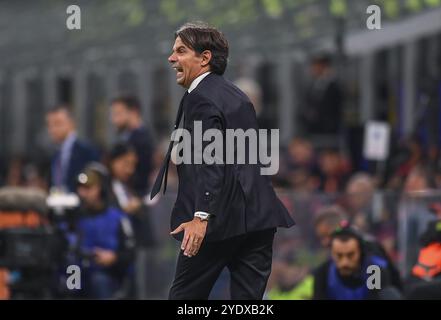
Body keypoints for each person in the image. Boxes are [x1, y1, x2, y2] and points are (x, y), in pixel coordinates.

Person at [151, 22, 295, 300]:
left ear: (204, 58)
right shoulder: (236, 94)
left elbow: (212, 160)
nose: (171, 58)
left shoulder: (201, 98)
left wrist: (202, 216)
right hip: (258, 220)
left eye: (180, 51)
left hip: (218, 223)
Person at [75, 163, 135, 299]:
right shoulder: (75, 217)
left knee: (99, 281)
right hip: (79, 273)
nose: (82, 193)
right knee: (68, 283)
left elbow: (130, 252)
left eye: (88, 188)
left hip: (109, 276)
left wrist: (114, 257)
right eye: (80, 188)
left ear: (100, 189)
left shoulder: (118, 218)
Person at [313, 224, 402, 300]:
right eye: (339, 256)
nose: (345, 262)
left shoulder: (374, 271)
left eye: (350, 255)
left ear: (360, 252)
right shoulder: (323, 274)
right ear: (332, 253)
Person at [46, 106, 99, 193]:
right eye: (49, 125)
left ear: (71, 123)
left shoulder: (86, 151)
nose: (52, 129)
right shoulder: (54, 154)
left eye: (57, 123)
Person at [110, 95, 154, 197]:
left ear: (134, 112)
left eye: (118, 113)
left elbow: (142, 177)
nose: (113, 119)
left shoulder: (141, 140)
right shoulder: (127, 137)